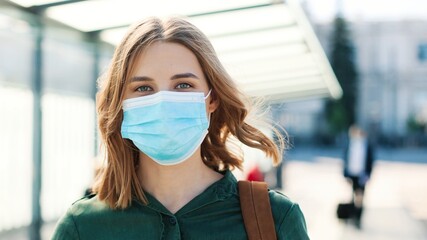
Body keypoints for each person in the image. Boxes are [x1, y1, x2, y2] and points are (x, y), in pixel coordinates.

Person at [52, 17, 309, 239]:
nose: (163, 102)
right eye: (143, 88)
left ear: (212, 99)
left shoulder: (276, 219)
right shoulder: (82, 227)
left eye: (183, 85)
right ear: (120, 104)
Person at [342, 125, 375, 228]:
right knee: (352, 196)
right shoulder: (350, 144)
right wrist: (345, 174)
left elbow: (370, 161)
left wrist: (368, 174)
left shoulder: (366, 145)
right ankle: (352, 217)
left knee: (360, 197)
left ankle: (358, 218)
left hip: (362, 175)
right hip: (352, 174)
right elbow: (345, 160)